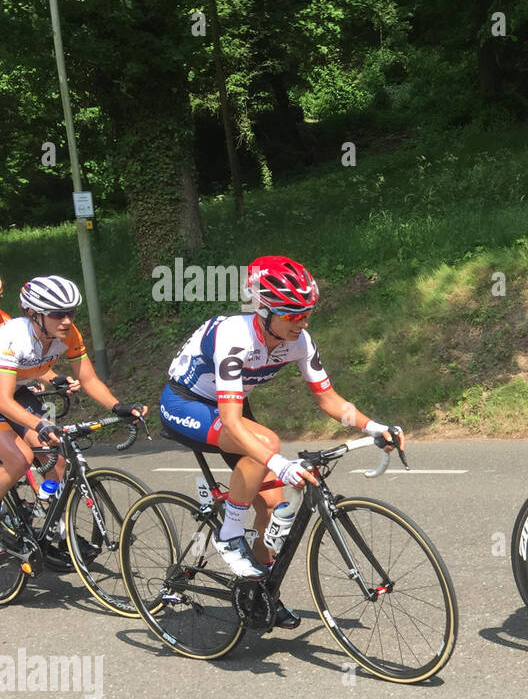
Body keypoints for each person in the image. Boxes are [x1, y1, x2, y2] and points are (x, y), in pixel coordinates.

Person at [159, 255, 403, 629]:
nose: (301, 323)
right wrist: (277, 463)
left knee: (276, 511)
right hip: (186, 403)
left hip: (232, 408)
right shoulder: (234, 335)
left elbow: (329, 400)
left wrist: (373, 427)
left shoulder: (298, 341)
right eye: (292, 315)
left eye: (306, 314)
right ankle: (229, 536)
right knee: (267, 442)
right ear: (264, 309)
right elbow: (230, 422)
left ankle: (259, 595)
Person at [0, 275, 146, 566]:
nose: (66, 320)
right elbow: (3, 401)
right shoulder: (12, 337)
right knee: (20, 458)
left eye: (71, 312)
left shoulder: (67, 333)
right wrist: (39, 424)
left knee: (56, 460)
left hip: (17, 394)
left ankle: (55, 530)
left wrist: (118, 406)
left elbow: (88, 378)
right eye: (58, 314)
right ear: (34, 313)